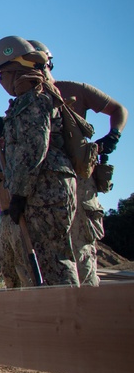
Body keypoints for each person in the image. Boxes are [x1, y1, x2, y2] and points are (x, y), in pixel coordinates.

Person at [33, 39, 128, 286]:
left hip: (79, 180)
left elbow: (119, 110)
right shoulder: (26, 102)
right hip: (47, 189)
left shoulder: (73, 90)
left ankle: (87, 319)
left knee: (82, 255)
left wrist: (112, 136)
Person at [0, 36, 79, 286]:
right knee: (48, 262)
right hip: (43, 187)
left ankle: (68, 317)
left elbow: (33, 149)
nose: (1, 82)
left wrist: (19, 194)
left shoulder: (33, 98)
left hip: (44, 189)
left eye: (0, 75)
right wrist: (3, 128)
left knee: (52, 263)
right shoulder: (29, 100)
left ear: (13, 70)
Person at [0, 117, 35, 289]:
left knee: (23, 265)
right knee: (6, 266)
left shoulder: (17, 156)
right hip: (3, 216)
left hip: (18, 215)